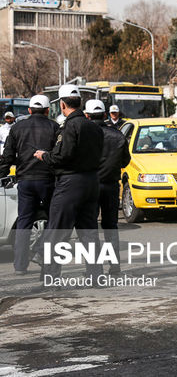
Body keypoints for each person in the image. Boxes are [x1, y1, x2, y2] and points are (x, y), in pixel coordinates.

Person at [34, 84, 104, 280]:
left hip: (70, 184)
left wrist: (44, 156)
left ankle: (51, 277)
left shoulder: (69, 126)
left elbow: (62, 156)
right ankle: (96, 275)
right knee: (89, 234)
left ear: (63, 105)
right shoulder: (93, 127)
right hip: (91, 182)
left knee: (57, 233)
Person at [0, 95, 59, 275]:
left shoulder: (17, 128)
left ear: (29, 110)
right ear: (48, 110)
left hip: (25, 181)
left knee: (24, 222)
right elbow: (59, 155)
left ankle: (20, 265)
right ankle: (45, 259)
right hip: (48, 181)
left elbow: (8, 157)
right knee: (52, 221)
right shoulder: (54, 127)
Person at [85, 99, 130, 273]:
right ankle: (115, 264)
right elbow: (125, 160)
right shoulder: (117, 135)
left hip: (90, 185)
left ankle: (94, 268)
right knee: (111, 225)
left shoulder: (84, 135)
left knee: (90, 227)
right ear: (105, 115)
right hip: (111, 185)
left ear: (87, 116)